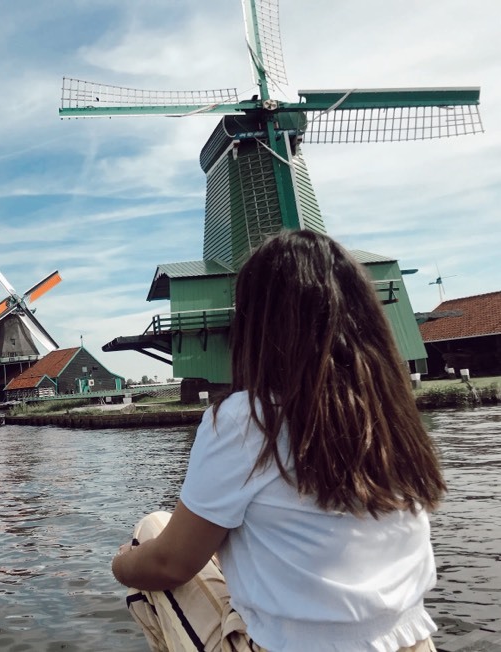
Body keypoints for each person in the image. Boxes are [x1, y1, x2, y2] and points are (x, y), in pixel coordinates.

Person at [111, 230, 446, 652]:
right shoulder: (392, 414)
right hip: (411, 639)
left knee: (152, 533)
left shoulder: (245, 420)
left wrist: (120, 563)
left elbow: (170, 563)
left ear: (257, 322)